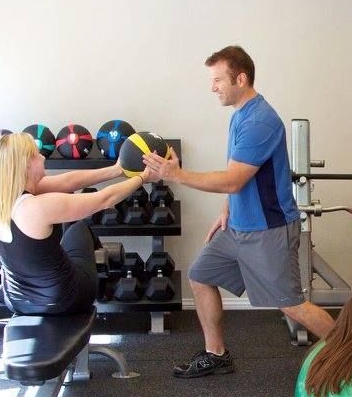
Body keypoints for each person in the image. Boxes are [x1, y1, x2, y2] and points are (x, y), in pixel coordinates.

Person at [142, 45, 335, 378]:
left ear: (241, 78)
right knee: (200, 276)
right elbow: (239, 176)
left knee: (290, 303)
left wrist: (175, 175)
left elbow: (232, 180)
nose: (212, 87)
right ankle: (216, 354)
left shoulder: (261, 120)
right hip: (238, 228)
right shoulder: (240, 116)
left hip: (268, 230)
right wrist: (226, 209)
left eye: (218, 80)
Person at [0, 131, 159, 315]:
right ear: (26, 163)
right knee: (79, 225)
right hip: (65, 299)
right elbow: (104, 199)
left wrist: (116, 170)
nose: (43, 157)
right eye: (37, 154)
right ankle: (102, 263)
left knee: (68, 202)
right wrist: (143, 178)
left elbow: (70, 181)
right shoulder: (36, 207)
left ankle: (94, 259)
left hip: (17, 300)